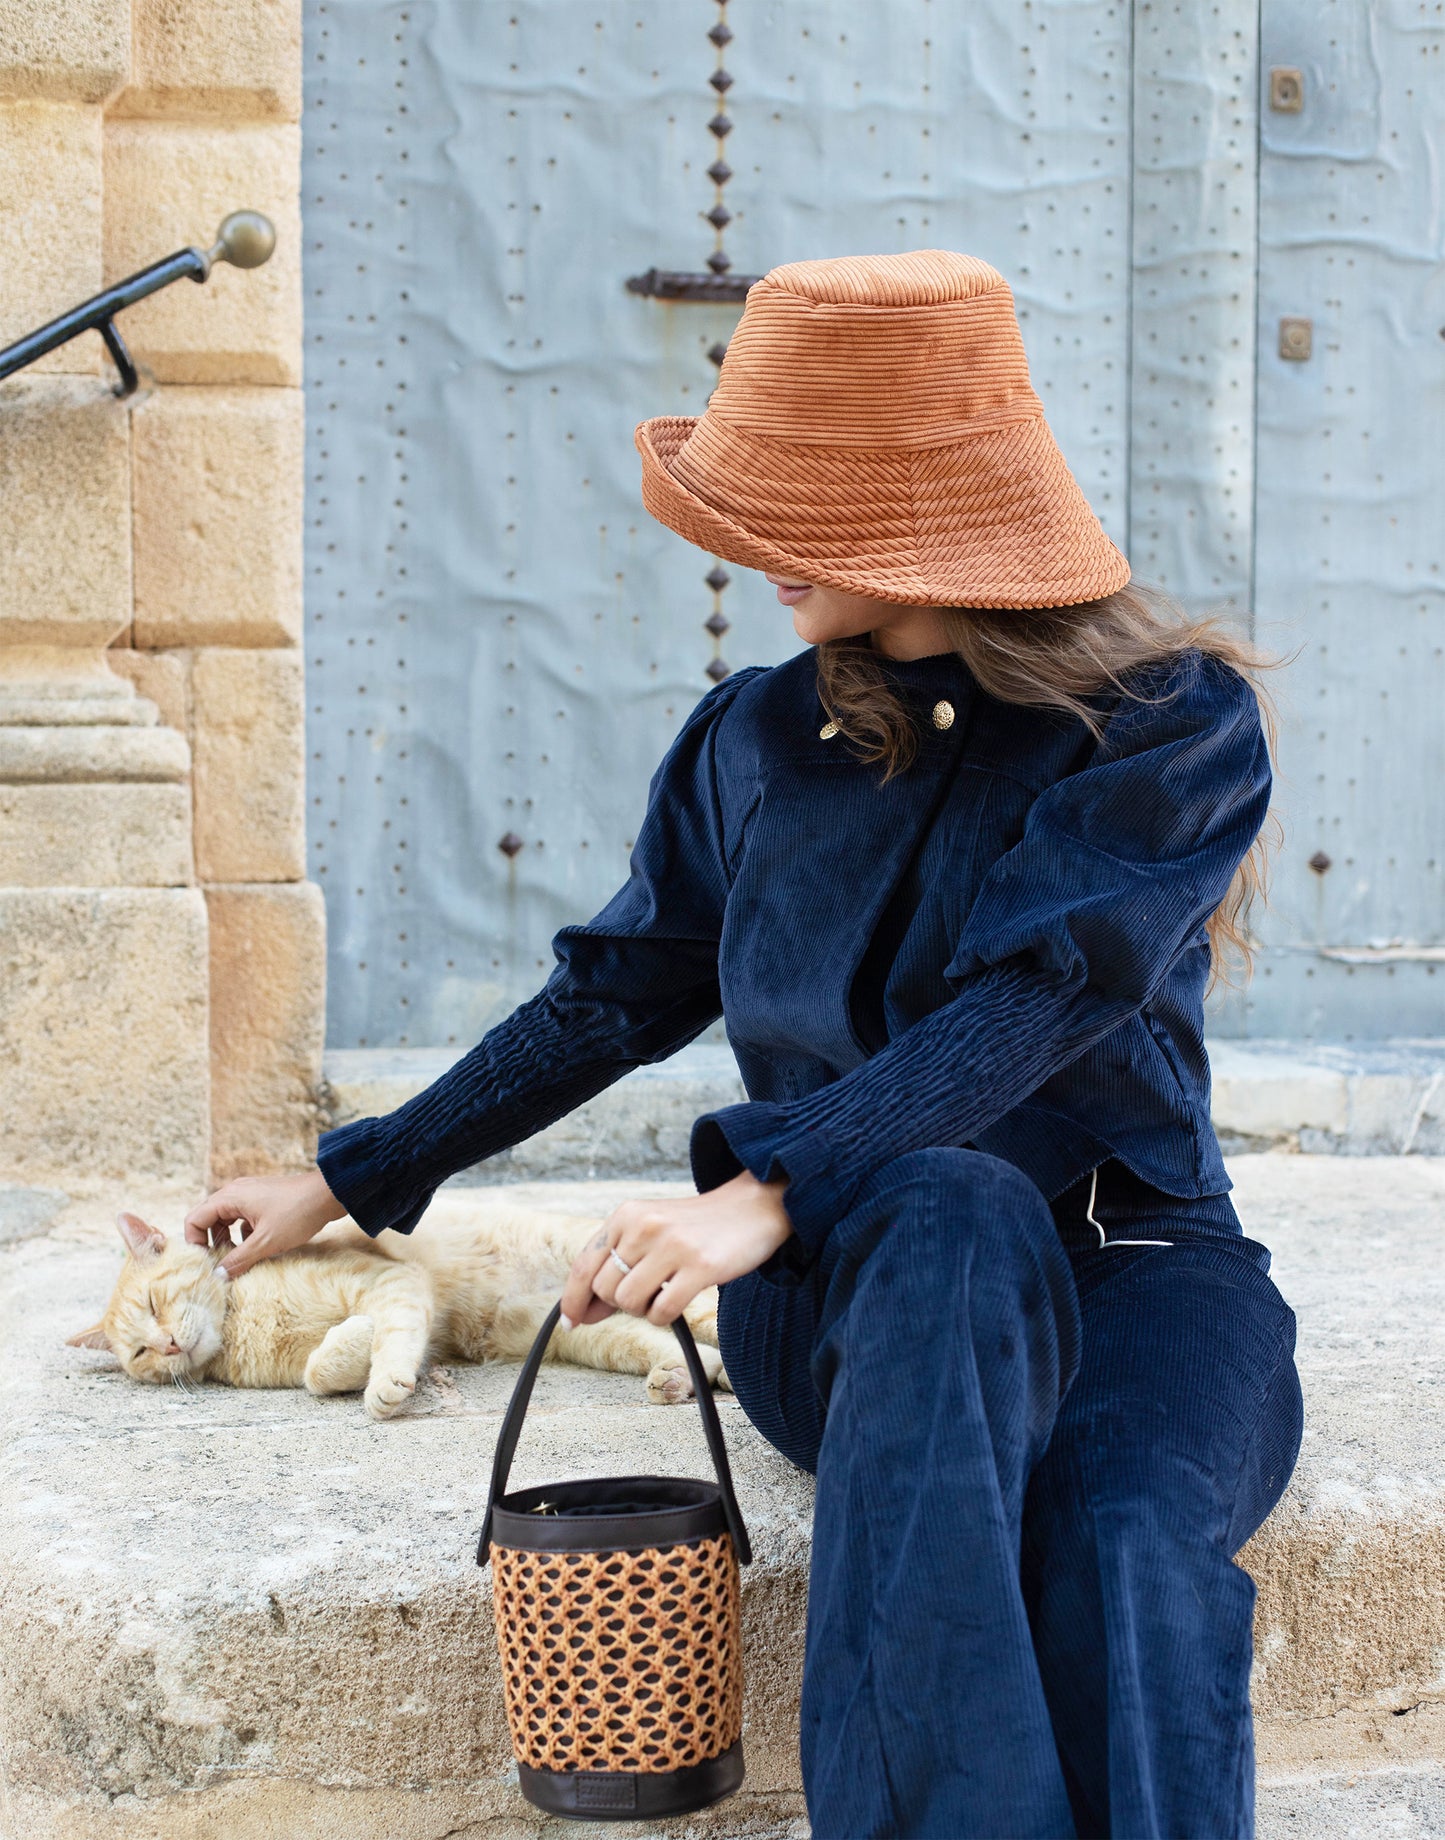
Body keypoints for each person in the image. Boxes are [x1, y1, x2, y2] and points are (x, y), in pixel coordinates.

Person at [186, 250, 1303, 1839]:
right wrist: (358, 1173)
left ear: (916, 513)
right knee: (945, 1205)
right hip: (867, 1303)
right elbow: (615, 992)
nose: (749, 557)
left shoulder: (1166, 724)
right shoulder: (754, 740)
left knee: (1123, 1531)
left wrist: (766, 1184)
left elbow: (1051, 991)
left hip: (1138, 1269)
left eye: (792, 514)